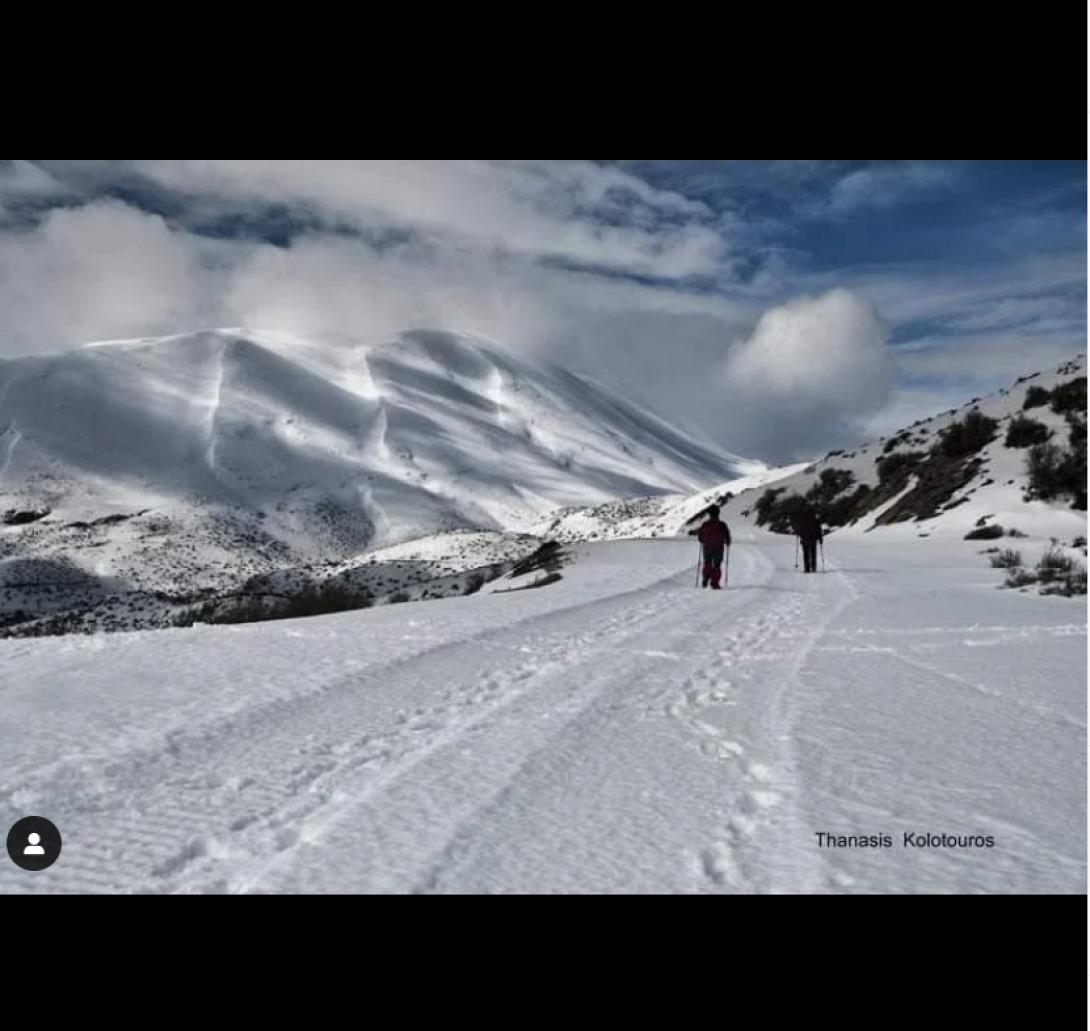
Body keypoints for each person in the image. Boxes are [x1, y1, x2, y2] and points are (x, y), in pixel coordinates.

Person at [688, 504, 731, 589]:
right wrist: (728, 542)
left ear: (709, 514)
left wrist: (702, 541)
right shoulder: (722, 524)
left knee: (707, 563)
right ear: (718, 513)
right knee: (717, 565)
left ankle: (705, 578)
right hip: (718, 547)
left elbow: (700, 536)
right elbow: (727, 536)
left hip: (707, 547)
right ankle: (714, 583)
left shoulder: (706, 524)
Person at [792, 504, 823, 573]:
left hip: (804, 539)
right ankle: (814, 567)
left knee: (805, 554)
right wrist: (820, 539)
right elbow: (819, 530)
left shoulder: (802, 519)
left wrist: (798, 534)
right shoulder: (815, 519)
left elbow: (798, 529)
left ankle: (807, 568)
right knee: (813, 553)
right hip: (813, 539)